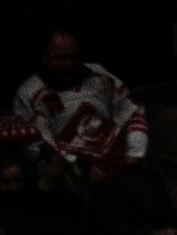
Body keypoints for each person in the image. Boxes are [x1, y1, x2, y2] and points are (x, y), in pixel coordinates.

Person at [12, 28, 149, 177]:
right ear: (45, 57)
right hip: (69, 173)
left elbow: (130, 112)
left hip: (118, 160)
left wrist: (134, 152)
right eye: (60, 58)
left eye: (73, 57)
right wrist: (81, 167)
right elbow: (39, 145)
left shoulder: (99, 75)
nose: (68, 64)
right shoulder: (29, 92)